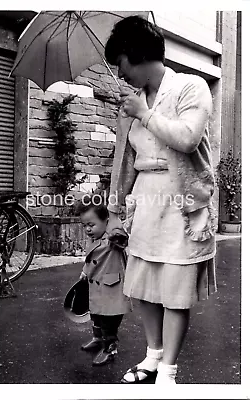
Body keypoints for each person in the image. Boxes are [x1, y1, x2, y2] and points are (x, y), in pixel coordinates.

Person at [104, 15, 217, 384]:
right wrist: (116, 212)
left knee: (176, 291)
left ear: (135, 55)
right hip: (145, 204)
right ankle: (152, 356)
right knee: (146, 288)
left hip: (182, 204)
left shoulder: (191, 87)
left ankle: (168, 370)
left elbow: (186, 139)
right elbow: (124, 162)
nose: (119, 74)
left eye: (119, 64)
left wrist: (145, 114)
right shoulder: (131, 104)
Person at [77, 195, 131, 366]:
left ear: (105, 221)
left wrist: (115, 228)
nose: (87, 229)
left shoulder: (113, 239)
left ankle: (110, 347)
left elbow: (122, 238)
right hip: (96, 287)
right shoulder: (93, 240)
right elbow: (90, 260)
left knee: (109, 321)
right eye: (84, 225)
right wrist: (85, 272)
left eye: (91, 225)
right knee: (96, 316)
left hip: (111, 289)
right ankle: (98, 338)